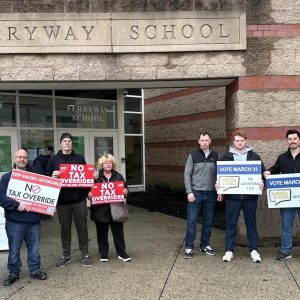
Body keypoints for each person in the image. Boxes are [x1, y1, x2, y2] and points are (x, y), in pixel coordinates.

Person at [0, 149, 47, 286]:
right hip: (15, 222)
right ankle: (13, 273)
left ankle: (35, 270)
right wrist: (16, 205)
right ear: (14, 159)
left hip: (33, 221)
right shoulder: (7, 178)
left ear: (28, 159)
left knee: (34, 249)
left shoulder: (37, 177)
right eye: (19, 157)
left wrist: (48, 208)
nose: (22, 160)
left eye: (24, 157)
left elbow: (44, 197)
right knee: (14, 250)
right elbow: (1, 198)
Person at [218, 130, 264, 263]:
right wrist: (220, 190)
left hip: (250, 197)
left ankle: (254, 250)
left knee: (251, 224)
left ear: (246, 141)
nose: (239, 143)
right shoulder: (226, 157)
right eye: (237, 140)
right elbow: (220, 176)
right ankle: (229, 250)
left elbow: (261, 174)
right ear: (233, 142)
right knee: (231, 224)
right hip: (232, 198)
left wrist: (262, 183)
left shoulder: (255, 157)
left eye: (242, 140)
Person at [47, 133, 91, 267]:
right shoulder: (54, 160)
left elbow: (86, 178)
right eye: (65, 141)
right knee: (64, 229)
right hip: (62, 202)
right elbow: (47, 180)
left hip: (79, 200)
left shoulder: (79, 158)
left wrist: (90, 187)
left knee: (82, 227)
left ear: (72, 143)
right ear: (60, 143)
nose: (67, 143)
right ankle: (66, 254)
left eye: (69, 141)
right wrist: (52, 176)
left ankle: (85, 254)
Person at [263, 129, 300, 261]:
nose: (292, 141)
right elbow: (275, 169)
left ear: (299, 140)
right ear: (287, 141)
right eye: (290, 139)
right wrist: (268, 172)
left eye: (295, 139)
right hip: (287, 199)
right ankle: (286, 251)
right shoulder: (282, 157)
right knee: (286, 225)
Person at [89, 154, 131, 262]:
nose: (108, 164)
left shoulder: (118, 176)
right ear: (102, 165)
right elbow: (89, 191)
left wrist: (125, 192)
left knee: (118, 233)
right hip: (100, 210)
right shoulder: (96, 177)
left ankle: (122, 253)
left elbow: (125, 189)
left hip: (116, 209)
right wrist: (89, 194)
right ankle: (103, 254)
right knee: (101, 233)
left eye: (110, 162)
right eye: (106, 163)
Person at [183, 132, 218, 259]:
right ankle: (189, 246)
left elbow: (218, 175)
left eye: (206, 140)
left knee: (208, 221)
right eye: (202, 140)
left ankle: (205, 245)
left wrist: (219, 191)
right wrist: (189, 192)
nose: (204, 142)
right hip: (196, 193)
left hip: (210, 193)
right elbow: (187, 174)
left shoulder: (215, 156)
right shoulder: (193, 155)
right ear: (198, 141)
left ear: (210, 141)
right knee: (192, 221)